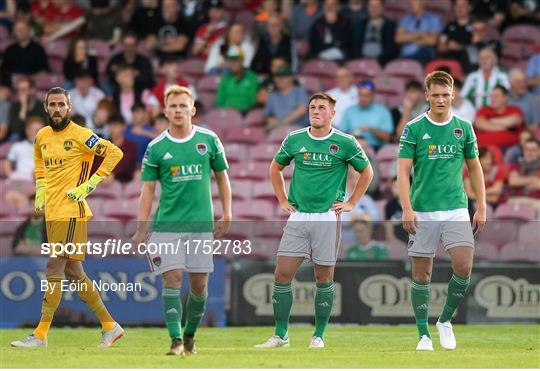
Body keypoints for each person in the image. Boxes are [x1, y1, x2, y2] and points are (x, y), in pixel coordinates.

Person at [255, 92, 373, 349]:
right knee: (282, 274)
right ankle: (281, 335)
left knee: (323, 278)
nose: (316, 111)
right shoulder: (295, 139)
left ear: (332, 113)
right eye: (312, 107)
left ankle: (318, 335)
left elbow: (367, 172)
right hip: (298, 217)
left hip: (327, 217)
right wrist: (282, 199)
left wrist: (351, 202)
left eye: (321, 107)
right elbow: (275, 167)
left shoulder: (346, 142)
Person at [11, 86, 124, 348]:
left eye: (62, 104)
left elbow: (114, 153)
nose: (57, 109)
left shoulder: (82, 135)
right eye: (53, 105)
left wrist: (90, 185)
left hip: (71, 211)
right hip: (53, 212)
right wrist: (40, 190)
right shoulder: (42, 135)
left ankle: (40, 334)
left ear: (69, 107)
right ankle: (110, 326)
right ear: (46, 108)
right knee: (74, 273)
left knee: (54, 268)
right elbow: (39, 162)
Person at [132, 85, 232, 356]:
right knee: (172, 280)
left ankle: (190, 335)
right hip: (167, 226)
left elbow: (222, 177)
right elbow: (148, 190)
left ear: (193, 109)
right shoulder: (156, 148)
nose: (178, 110)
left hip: (201, 225)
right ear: (165, 111)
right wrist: (142, 226)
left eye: (183, 105)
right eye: (173, 106)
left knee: (199, 286)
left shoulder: (209, 140)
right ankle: (175, 340)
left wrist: (227, 213)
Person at [397, 71, 486, 351]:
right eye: (435, 95)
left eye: (445, 95)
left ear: (453, 95)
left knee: (464, 266)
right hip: (422, 211)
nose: (440, 99)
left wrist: (481, 204)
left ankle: (445, 321)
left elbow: (474, 167)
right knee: (422, 275)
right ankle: (423, 335)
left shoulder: (463, 127)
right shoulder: (413, 128)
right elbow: (402, 170)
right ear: (427, 96)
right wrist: (407, 207)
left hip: (456, 208)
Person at [340, 80, 394, 150]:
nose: (363, 98)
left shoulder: (383, 111)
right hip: (352, 148)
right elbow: (341, 136)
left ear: (373, 96)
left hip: (376, 149)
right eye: (361, 95)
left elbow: (387, 137)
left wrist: (371, 130)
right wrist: (352, 135)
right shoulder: (349, 111)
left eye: (367, 95)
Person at [0, 19, 49, 86]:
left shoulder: (38, 49)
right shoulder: (9, 50)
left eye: (23, 29)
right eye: (18, 30)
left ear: (28, 30)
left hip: (32, 85)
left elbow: (44, 71)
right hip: (12, 85)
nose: (20, 32)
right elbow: (4, 72)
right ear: (14, 32)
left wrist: (29, 80)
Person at [394, 0, 443, 65]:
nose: (411, 4)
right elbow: (398, 39)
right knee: (394, 65)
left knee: (421, 55)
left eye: (414, 1)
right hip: (405, 55)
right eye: (410, 1)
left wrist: (408, 37)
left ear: (423, 2)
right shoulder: (406, 20)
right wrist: (420, 34)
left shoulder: (433, 19)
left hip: (424, 54)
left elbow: (432, 41)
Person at [351, 0, 398, 66]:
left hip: (382, 63)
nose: (373, 8)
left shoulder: (390, 25)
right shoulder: (360, 25)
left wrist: (378, 60)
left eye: (377, 6)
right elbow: (355, 46)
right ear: (368, 7)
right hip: (361, 61)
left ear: (382, 7)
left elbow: (390, 48)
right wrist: (363, 59)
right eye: (371, 6)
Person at [215, 46, 259, 113]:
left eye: (236, 59)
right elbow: (218, 103)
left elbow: (253, 102)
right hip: (225, 115)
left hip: (244, 116)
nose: (233, 63)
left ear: (242, 60)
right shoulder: (225, 79)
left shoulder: (252, 78)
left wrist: (237, 111)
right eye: (231, 60)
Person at [264, 66, 309, 131]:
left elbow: (301, 111)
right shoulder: (273, 95)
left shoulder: (299, 91)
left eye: (283, 77)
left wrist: (281, 123)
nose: (279, 80)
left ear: (291, 78)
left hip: (299, 129)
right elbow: (268, 116)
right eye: (277, 77)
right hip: (279, 131)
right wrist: (275, 124)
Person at [3, 116, 43, 181]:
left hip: (39, 180)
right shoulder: (18, 146)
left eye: (40, 130)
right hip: (20, 180)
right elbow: (7, 162)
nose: (37, 133)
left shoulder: (46, 147)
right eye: (35, 130)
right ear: (27, 130)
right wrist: (11, 176)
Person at [507, 138, 540, 207]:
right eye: (527, 149)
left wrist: (521, 181)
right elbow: (513, 181)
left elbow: (538, 185)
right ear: (523, 151)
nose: (530, 152)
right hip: (515, 200)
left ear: (539, 151)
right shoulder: (516, 165)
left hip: (535, 202)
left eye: (533, 150)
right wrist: (533, 179)